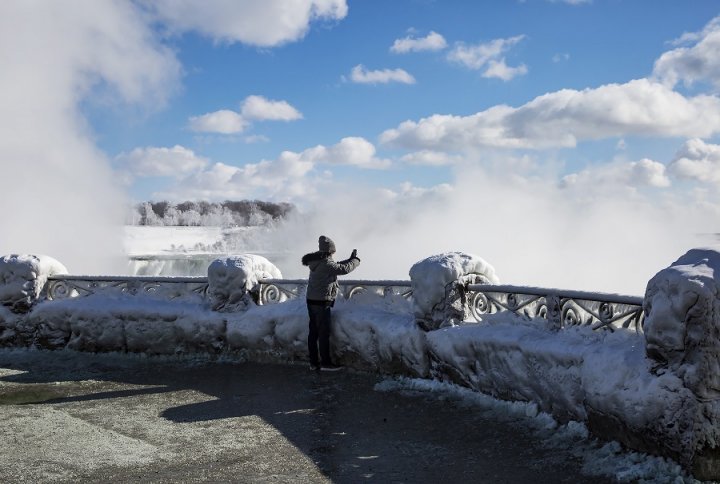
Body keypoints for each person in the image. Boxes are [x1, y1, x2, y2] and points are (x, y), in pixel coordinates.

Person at [301, 235, 360, 372]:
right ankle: (326, 363)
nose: (334, 254)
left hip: (311, 301)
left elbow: (336, 265)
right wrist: (355, 261)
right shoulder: (326, 263)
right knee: (323, 333)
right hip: (322, 302)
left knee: (313, 332)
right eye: (333, 252)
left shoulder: (317, 261)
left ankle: (313, 363)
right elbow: (342, 269)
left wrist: (349, 259)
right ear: (329, 251)